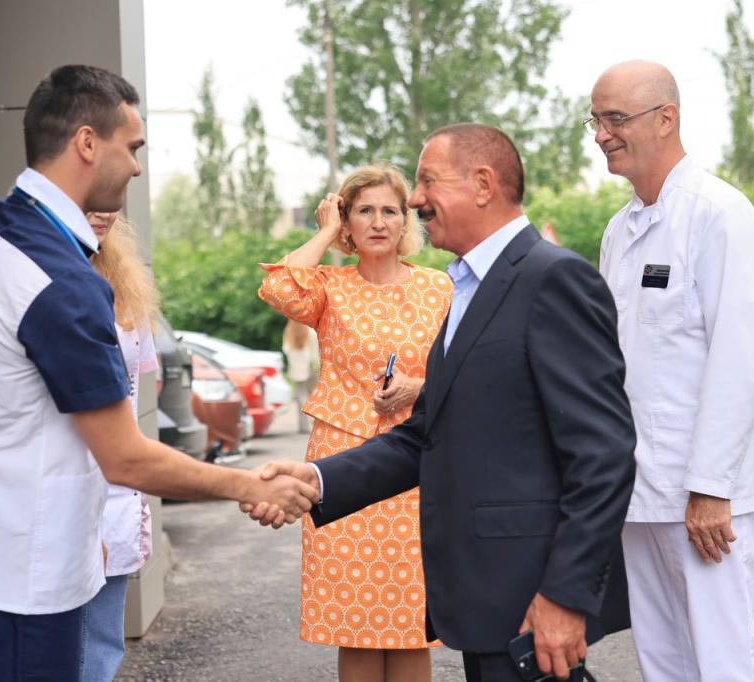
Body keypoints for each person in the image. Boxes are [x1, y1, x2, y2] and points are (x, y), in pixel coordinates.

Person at [0, 64, 317, 682]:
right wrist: (251, 486)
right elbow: (125, 459)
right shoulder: (59, 281)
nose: (137, 167)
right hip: (13, 580)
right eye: (132, 148)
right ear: (86, 143)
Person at [251, 124, 637, 682]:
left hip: (532, 598)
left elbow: (603, 455)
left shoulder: (552, 278)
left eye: (426, 181)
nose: (412, 200)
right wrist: (315, 479)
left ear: (483, 184)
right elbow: (423, 434)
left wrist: (565, 595)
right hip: (484, 597)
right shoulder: (466, 286)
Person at [588, 60, 754, 681]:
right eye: (596, 119)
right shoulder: (621, 230)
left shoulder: (720, 214)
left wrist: (711, 487)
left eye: (616, 118)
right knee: (662, 660)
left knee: (722, 661)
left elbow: (739, 360)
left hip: (704, 499)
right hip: (639, 493)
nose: (602, 134)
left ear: (666, 117)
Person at [258, 163, 453, 682]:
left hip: (416, 466)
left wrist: (420, 388)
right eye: (364, 210)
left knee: (413, 620)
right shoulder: (329, 288)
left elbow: (470, 373)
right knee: (356, 621)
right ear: (347, 219)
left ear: (404, 219)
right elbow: (279, 288)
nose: (378, 221)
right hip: (340, 464)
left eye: (390, 210)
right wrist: (324, 230)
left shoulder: (440, 289)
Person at [81, 210, 158, 680]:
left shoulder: (124, 289)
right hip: (73, 482)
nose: (99, 217)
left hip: (119, 485)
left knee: (103, 640)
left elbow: (134, 390)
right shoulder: (42, 280)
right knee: (67, 642)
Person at [281, 318, 320, 433]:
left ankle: (304, 425)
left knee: (301, 395)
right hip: (312, 367)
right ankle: (312, 420)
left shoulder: (289, 331)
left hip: (297, 368)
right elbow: (315, 349)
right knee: (312, 394)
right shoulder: (310, 331)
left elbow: (286, 349)